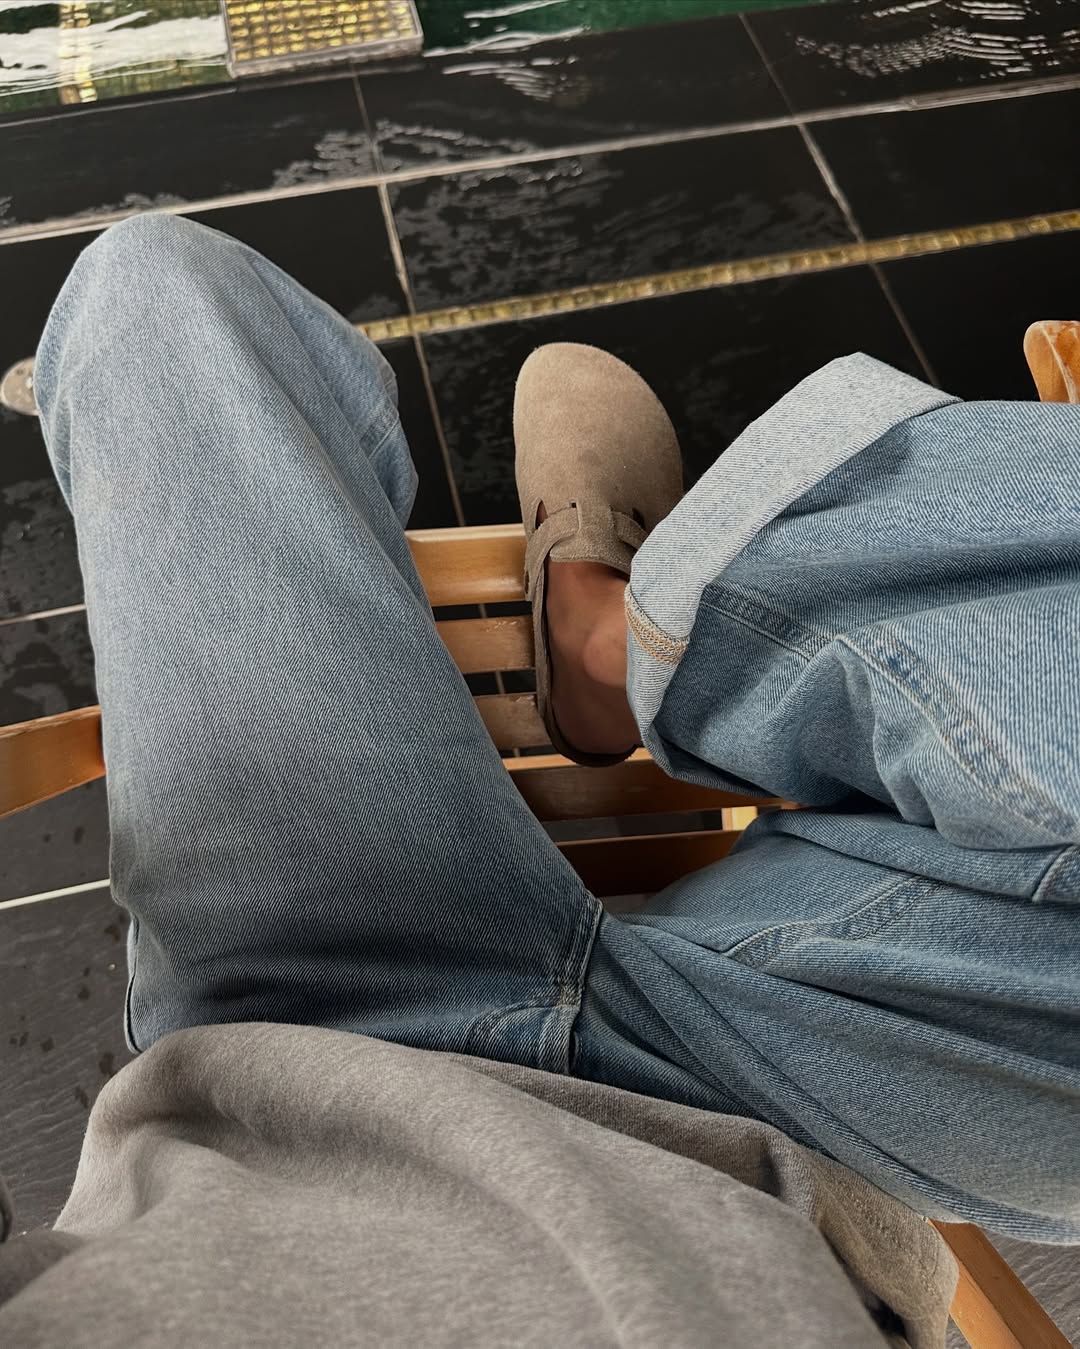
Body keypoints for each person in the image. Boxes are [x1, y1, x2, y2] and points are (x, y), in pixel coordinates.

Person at [1, 213, 1077, 1346]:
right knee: (156, 316)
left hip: (283, 1064)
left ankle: (613, 656)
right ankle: (636, 641)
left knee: (154, 289)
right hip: (784, 1136)